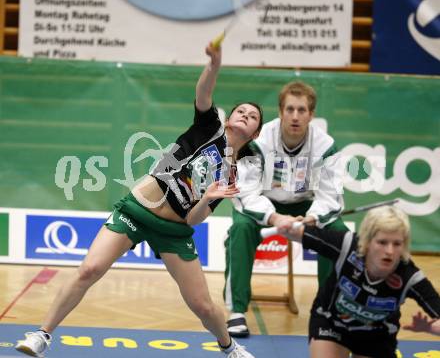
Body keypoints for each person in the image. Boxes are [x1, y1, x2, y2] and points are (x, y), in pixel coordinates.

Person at [15, 43, 262, 358]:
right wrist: (213, 66)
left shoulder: (230, 176)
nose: (245, 115)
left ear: (254, 133)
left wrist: (208, 198)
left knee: (202, 305)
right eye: (241, 110)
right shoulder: (209, 127)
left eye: (253, 116)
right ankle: (42, 335)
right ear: (230, 119)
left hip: (174, 232)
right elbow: (204, 94)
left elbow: (193, 220)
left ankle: (229, 347)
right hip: (136, 211)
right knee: (89, 269)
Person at [224, 81, 348, 337]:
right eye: (289, 109)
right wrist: (274, 216)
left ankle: (328, 311)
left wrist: (313, 217)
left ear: (311, 115)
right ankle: (236, 310)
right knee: (240, 227)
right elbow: (245, 192)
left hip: (306, 206)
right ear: (280, 111)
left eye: (302, 110)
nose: (295, 116)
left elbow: (332, 197)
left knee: (336, 231)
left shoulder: (326, 145)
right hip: (265, 202)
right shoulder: (259, 142)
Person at [279, 205, 440, 358]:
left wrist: (430, 328)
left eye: (397, 244)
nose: (390, 251)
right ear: (368, 241)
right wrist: (286, 225)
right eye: (382, 242)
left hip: (376, 336)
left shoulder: (410, 276)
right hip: (331, 323)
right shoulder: (346, 245)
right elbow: (297, 233)